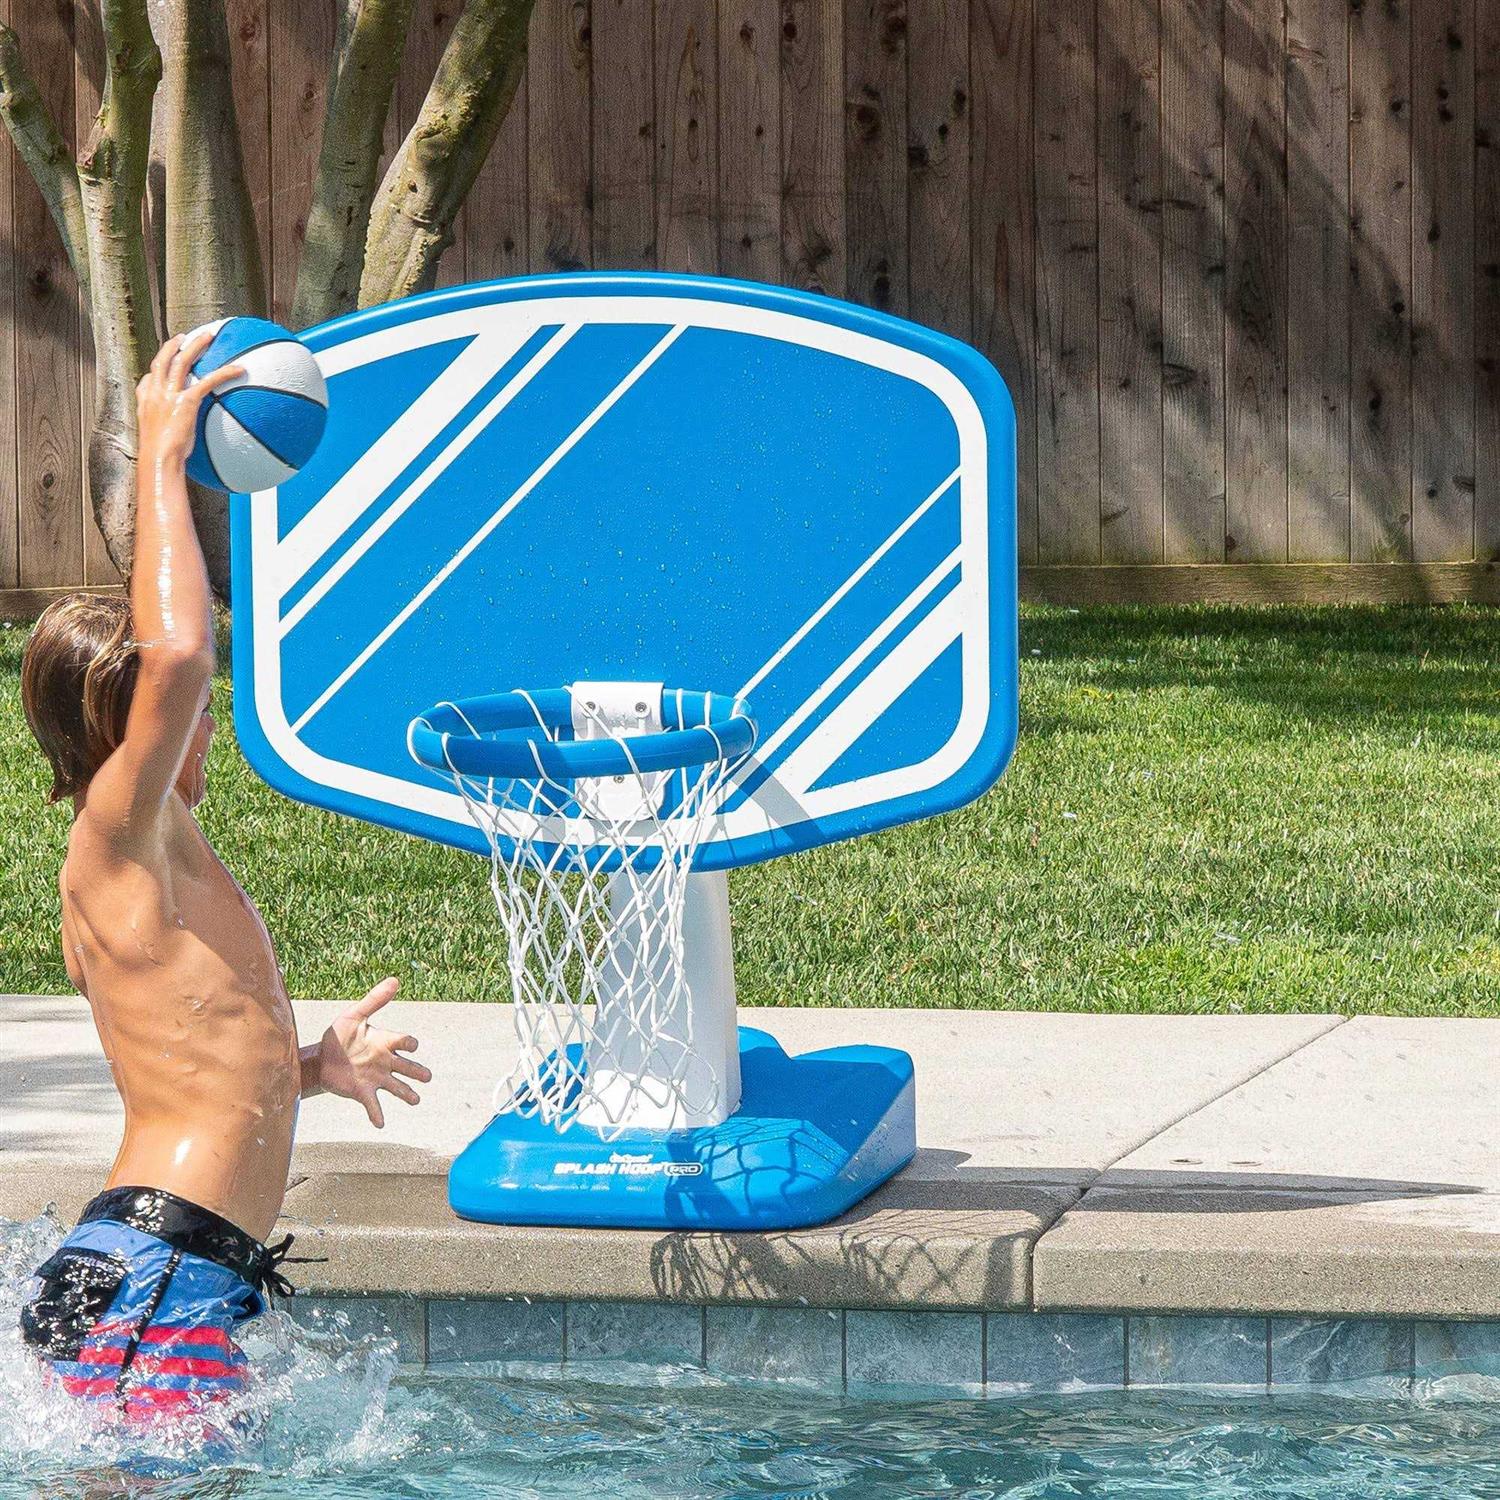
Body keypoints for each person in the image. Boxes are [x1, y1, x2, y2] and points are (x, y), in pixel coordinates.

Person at [14, 330, 431, 1426]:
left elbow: (196, 1068)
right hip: (156, 1268)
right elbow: (183, 653)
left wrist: (313, 1067)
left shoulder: (151, 861)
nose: (201, 722)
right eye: (181, 716)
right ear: (129, 726)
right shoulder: (115, 830)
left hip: (168, 1265)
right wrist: (162, 458)